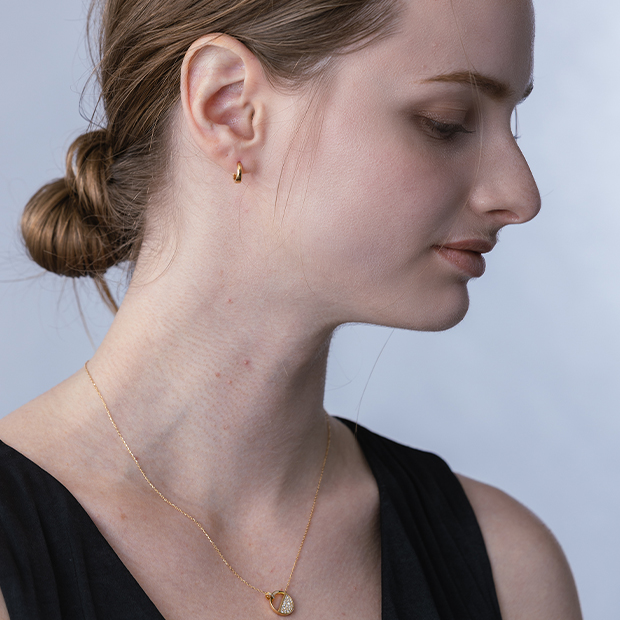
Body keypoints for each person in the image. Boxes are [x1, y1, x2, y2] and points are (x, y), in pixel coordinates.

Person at [0, 0, 582, 617]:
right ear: (229, 107)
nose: (520, 195)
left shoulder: (508, 570)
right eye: (447, 122)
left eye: (510, 123)